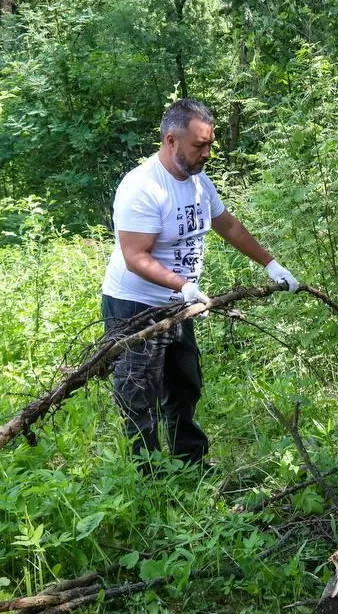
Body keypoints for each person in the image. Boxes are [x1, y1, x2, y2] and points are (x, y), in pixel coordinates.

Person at [102, 98, 300, 470]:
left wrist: (271, 264)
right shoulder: (142, 187)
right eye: (199, 146)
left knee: (185, 383)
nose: (206, 154)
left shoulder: (198, 183)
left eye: (210, 144)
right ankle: (146, 474)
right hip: (134, 305)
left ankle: (189, 462)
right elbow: (136, 256)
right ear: (170, 140)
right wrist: (183, 285)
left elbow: (227, 225)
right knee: (139, 392)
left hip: (180, 302)